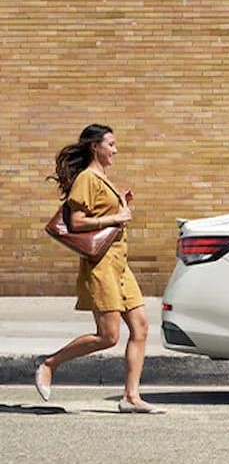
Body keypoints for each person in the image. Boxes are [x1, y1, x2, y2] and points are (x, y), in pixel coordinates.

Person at [35, 124, 164, 414]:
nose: (115, 150)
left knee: (141, 327)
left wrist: (120, 204)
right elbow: (77, 222)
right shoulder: (86, 179)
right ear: (96, 146)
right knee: (108, 336)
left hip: (120, 264)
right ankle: (48, 364)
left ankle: (131, 397)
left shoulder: (102, 178)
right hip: (101, 265)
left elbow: (102, 214)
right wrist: (115, 217)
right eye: (111, 144)